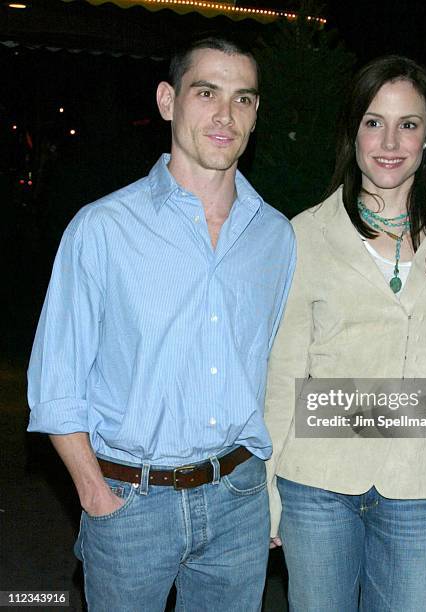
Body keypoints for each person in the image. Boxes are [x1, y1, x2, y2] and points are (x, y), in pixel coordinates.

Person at [27, 35, 295, 612]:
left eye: (243, 99)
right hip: (130, 501)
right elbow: (55, 385)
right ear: (167, 101)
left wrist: (269, 490)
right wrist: (96, 495)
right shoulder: (103, 228)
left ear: (256, 114)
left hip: (240, 497)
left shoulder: (275, 234)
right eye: (206, 92)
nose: (225, 115)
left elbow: (275, 367)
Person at [265, 55, 426, 611]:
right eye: (373, 121)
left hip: (421, 484)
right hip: (317, 482)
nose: (390, 140)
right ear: (352, 131)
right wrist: (268, 493)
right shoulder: (305, 233)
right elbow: (282, 372)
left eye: (408, 124)